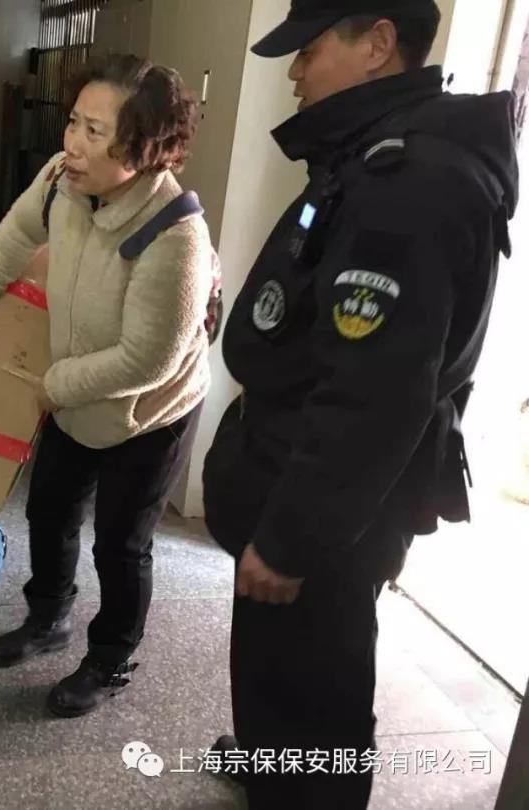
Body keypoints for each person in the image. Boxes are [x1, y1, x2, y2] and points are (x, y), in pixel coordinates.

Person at [201, 1, 518, 808]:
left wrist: (290, 541)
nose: (294, 72)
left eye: (308, 51)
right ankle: (271, 766)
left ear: (378, 44)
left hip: (329, 509)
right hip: (310, 483)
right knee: (277, 674)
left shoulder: (411, 183)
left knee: (316, 692)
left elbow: (375, 393)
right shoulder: (373, 155)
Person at [0, 54, 216, 718]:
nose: (72, 143)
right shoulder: (61, 179)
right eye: (74, 122)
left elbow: (146, 360)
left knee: (121, 543)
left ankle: (110, 659)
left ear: (144, 146)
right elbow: (21, 229)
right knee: (49, 509)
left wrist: (55, 383)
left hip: (149, 412)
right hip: (76, 390)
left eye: (95, 132)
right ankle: (49, 616)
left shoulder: (175, 234)